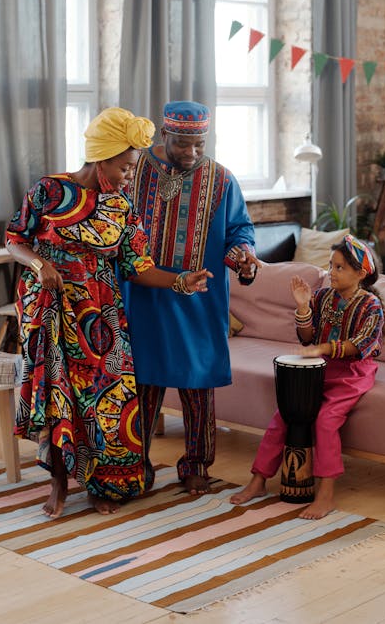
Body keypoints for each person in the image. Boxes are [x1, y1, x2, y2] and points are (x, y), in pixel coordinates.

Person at [6, 107, 211, 520]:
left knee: (108, 403)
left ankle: (104, 485)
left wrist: (180, 281)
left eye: (132, 169)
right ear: (103, 158)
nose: (129, 176)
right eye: (125, 167)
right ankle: (60, 483)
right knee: (58, 398)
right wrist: (39, 265)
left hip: (102, 317)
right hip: (51, 312)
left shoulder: (122, 208)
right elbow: (14, 239)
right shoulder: (48, 189)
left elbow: (139, 266)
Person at [122, 100, 260, 495]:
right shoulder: (135, 171)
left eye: (199, 144)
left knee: (198, 384)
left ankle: (196, 464)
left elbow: (240, 233)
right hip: (142, 294)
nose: (192, 152)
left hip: (198, 300)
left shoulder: (222, 180)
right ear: (165, 135)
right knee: (141, 383)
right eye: (183, 143)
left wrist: (244, 260)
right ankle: (136, 466)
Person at [230, 234, 385, 519]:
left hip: (353, 373)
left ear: (361, 273)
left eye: (340, 267)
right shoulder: (323, 296)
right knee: (284, 415)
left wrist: (325, 347)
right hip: (320, 366)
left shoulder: (371, 307)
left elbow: (359, 345)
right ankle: (259, 480)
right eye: (331, 265)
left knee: (326, 420)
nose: (331, 272)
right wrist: (303, 307)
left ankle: (326, 492)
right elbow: (307, 338)